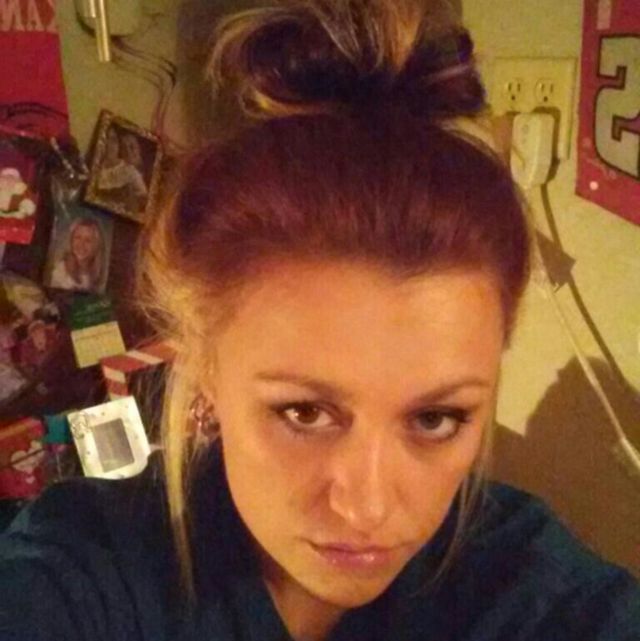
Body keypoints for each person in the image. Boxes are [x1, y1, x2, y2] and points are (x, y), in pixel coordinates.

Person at [1, 1, 639, 640]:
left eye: (435, 419)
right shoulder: (85, 574)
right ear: (205, 367)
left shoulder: (528, 589)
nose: (368, 508)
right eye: (304, 412)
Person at [96, 126, 147, 215]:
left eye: (113, 140)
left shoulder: (130, 172)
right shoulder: (96, 170)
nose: (109, 145)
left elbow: (143, 203)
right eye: (105, 140)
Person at [48, 216, 105, 292]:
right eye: (78, 237)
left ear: (96, 246)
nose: (81, 244)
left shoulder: (95, 276)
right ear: (71, 240)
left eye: (88, 240)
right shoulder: (61, 271)